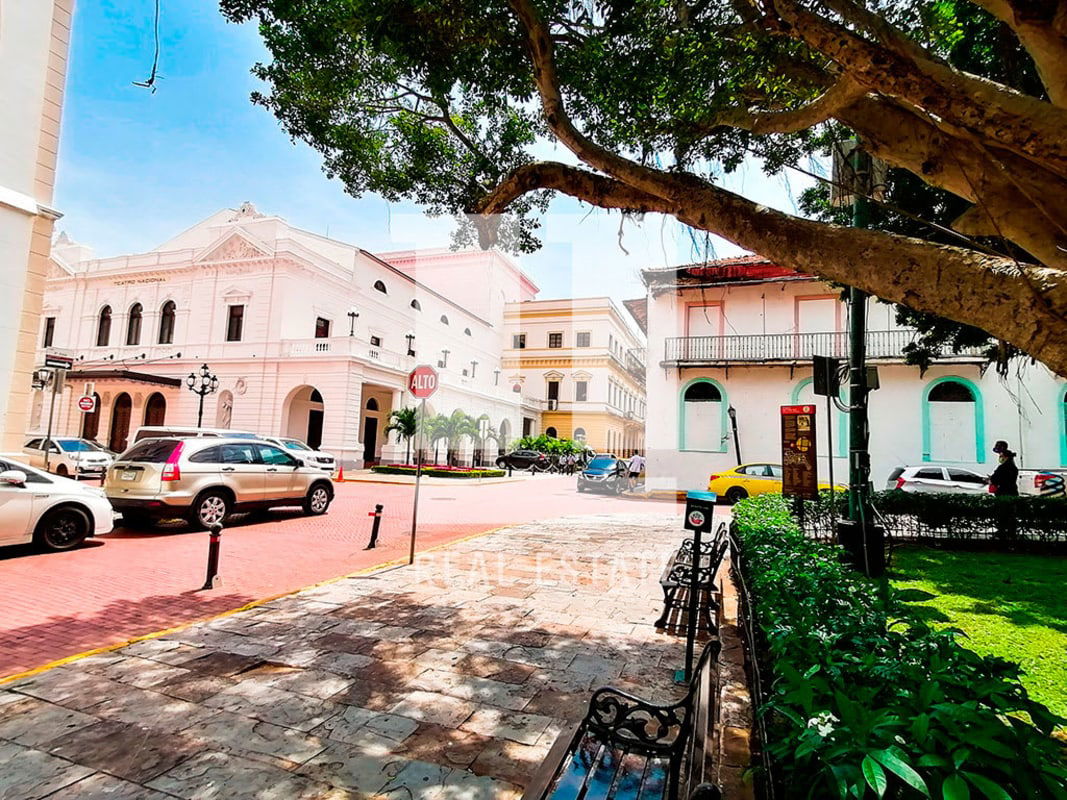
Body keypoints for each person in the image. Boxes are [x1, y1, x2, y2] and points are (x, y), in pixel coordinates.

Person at [989, 440, 1019, 540]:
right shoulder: (1013, 467)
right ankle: (1011, 533)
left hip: (1003, 493)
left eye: (1001, 456)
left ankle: (1001, 533)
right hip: (1012, 492)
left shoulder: (1003, 468)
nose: (1000, 458)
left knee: (1002, 515)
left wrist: (991, 480)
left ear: (1005, 457)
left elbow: (995, 479)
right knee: (1011, 515)